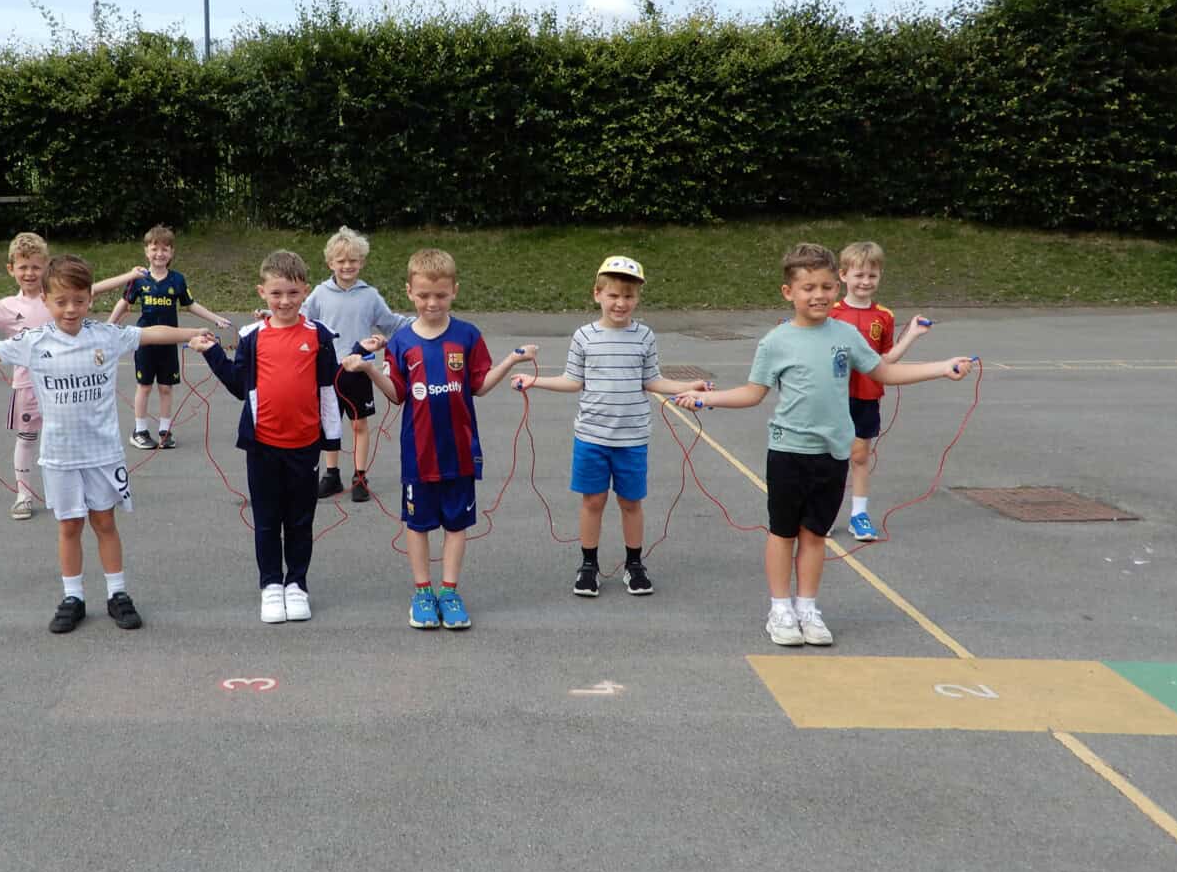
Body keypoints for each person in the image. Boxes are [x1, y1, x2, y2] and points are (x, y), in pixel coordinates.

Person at [674, 242, 974, 648]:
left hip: (832, 454)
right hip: (787, 452)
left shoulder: (846, 335)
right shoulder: (775, 341)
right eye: (809, 287)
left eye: (827, 287)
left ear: (837, 288)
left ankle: (807, 608)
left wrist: (942, 367)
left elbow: (883, 372)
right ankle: (780, 609)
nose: (819, 295)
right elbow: (752, 393)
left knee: (815, 534)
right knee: (783, 533)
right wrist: (706, 399)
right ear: (789, 293)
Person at [0, 255, 208, 634]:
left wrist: (192, 335)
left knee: (105, 522)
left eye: (79, 300)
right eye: (61, 301)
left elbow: (152, 332)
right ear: (45, 300)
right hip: (60, 456)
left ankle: (117, 593)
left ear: (90, 299)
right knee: (69, 525)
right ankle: (73, 597)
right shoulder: (33, 342)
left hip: (103, 453)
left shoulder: (106, 336)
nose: (70, 309)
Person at [343, 248, 536, 630]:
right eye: (424, 295)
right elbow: (397, 394)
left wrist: (511, 361)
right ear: (409, 292)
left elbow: (479, 386)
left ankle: (449, 591)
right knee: (418, 525)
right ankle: (422, 593)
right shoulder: (401, 342)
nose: (432, 303)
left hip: (460, 453)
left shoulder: (467, 336)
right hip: (419, 455)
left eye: (441, 295)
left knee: (456, 525)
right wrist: (368, 369)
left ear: (454, 291)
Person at [510, 255, 711, 598]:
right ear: (597, 294)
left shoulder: (644, 336)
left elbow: (653, 380)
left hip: (632, 438)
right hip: (591, 437)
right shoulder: (584, 336)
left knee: (631, 502)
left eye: (628, 296)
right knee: (593, 501)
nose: (620, 303)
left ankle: (635, 565)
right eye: (613, 295)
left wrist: (687, 386)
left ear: (637, 298)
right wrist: (534, 381)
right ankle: (588, 565)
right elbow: (573, 381)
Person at [0, 232, 138, 520]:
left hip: (65, 386)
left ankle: (85, 486)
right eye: (23, 267)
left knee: (73, 434)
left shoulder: (58, 295)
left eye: (36, 267)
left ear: (46, 267)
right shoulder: (7, 307)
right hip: (28, 386)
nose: (29, 273)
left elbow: (95, 287)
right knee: (27, 438)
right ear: (11, 269)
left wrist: (131, 275)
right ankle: (24, 494)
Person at [189, 250, 343, 624]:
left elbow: (329, 389)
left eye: (292, 293)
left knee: (300, 521)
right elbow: (239, 386)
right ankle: (272, 584)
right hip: (263, 447)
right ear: (262, 293)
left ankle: (297, 584)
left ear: (305, 291)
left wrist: (331, 440)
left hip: (304, 446)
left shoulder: (319, 336)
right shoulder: (252, 337)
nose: (284, 301)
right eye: (276, 294)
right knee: (267, 520)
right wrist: (212, 353)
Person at [300, 225, 411, 503]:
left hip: (359, 369)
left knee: (359, 424)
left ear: (362, 262)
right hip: (328, 370)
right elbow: (299, 319)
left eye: (353, 260)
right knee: (330, 425)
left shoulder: (369, 295)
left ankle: (360, 477)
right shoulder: (320, 293)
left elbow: (391, 323)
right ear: (330, 263)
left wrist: (422, 321)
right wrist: (269, 314)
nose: (347, 266)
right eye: (341, 261)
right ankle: (332, 475)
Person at [830, 240, 931, 541]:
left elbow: (885, 360)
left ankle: (859, 515)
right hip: (833, 396)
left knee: (860, 455)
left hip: (866, 395)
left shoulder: (884, 316)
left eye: (872, 276)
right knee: (830, 456)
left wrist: (911, 335)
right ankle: (824, 513)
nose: (865, 281)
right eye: (859, 275)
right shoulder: (831, 312)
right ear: (843, 275)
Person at [107, 224, 232, 451]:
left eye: (165, 249)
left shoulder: (177, 280)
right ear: (146, 251)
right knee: (144, 386)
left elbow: (190, 304)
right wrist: (108, 326)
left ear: (172, 252)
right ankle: (140, 431)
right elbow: (124, 303)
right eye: (154, 249)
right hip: (144, 341)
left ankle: (165, 431)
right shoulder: (138, 279)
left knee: (166, 387)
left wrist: (216, 318)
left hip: (168, 342)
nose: (159, 253)